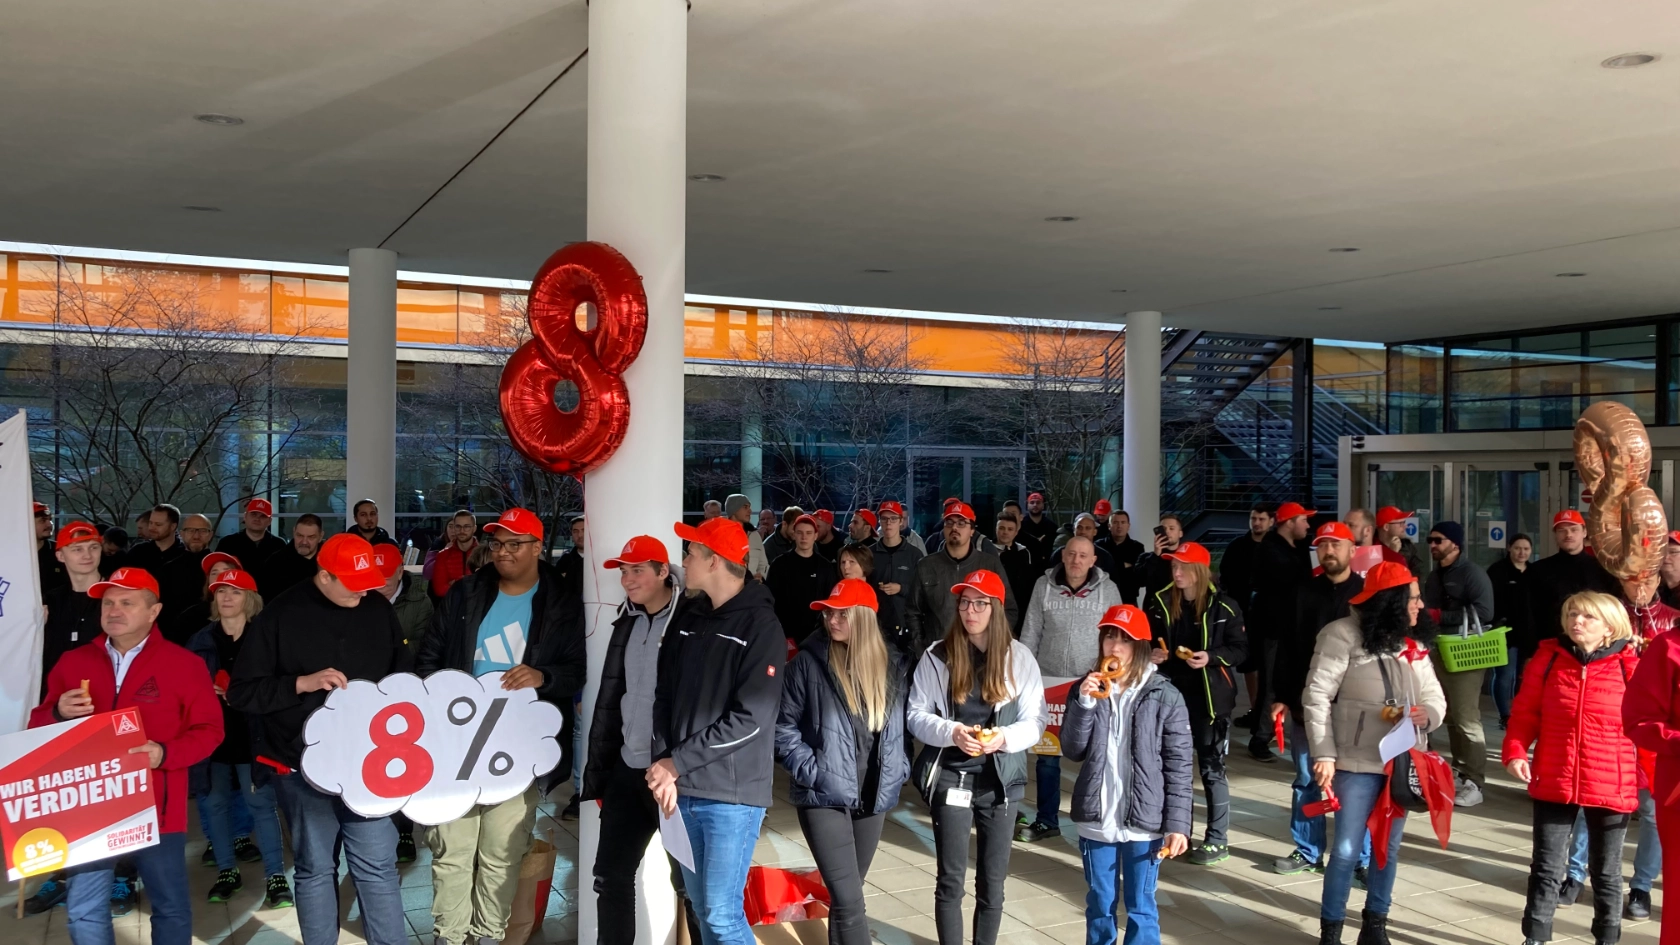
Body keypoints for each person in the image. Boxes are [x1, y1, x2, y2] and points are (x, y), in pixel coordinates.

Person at [226, 534, 411, 945]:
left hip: (370, 764)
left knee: (377, 866)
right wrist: (301, 683)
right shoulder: (280, 614)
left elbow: (403, 679)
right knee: (314, 868)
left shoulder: (378, 609)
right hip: (301, 765)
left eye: (368, 581)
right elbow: (243, 693)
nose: (363, 590)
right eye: (352, 582)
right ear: (323, 576)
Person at [416, 507, 586, 945]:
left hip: (518, 746)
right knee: (451, 849)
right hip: (456, 742)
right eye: (496, 544)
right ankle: (449, 937)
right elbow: (430, 654)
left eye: (514, 544)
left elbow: (577, 669)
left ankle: (489, 935)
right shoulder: (466, 593)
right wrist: (442, 702)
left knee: (502, 852)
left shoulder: (561, 601)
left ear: (536, 547)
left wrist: (542, 676)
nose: (503, 552)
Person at [32, 566, 223, 945]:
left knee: (169, 907)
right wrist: (55, 713)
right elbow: (38, 727)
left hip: (157, 809)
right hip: (90, 809)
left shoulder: (184, 665)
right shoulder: (74, 662)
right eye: (108, 603)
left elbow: (211, 731)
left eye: (126, 602)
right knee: (84, 910)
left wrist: (164, 753)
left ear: (154, 612)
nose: (114, 611)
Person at [650, 516, 785, 945]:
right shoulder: (689, 614)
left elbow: (752, 718)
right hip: (682, 788)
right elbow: (664, 694)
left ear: (714, 560)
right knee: (701, 908)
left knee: (722, 914)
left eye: (690, 552)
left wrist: (676, 762)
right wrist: (663, 765)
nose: (683, 560)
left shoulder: (761, 627)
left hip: (731, 796)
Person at [1303, 561, 1446, 945]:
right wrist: (1324, 754)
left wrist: (1427, 714)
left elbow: (1435, 695)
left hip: (1400, 764)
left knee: (1389, 847)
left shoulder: (1412, 645)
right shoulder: (1340, 635)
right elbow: (1317, 697)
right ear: (1393, 602)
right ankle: (1331, 931)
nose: (1420, 606)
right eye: (1413, 599)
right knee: (1347, 849)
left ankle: (1375, 923)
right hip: (1354, 762)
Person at [907, 570, 1048, 945]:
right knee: (950, 880)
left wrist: (1002, 738)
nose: (970, 611)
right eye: (965, 602)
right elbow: (916, 715)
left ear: (996, 609)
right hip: (952, 777)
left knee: (992, 882)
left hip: (999, 781)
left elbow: (1036, 721)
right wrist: (951, 732)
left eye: (980, 603)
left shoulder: (1020, 658)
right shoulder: (937, 654)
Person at [581, 536, 701, 945]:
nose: (627, 580)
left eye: (637, 571)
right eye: (623, 571)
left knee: (690, 886)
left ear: (663, 571)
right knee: (610, 877)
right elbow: (616, 696)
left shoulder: (693, 619)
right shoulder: (627, 620)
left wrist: (682, 762)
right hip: (626, 770)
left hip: (672, 776)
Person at [776, 579, 909, 945]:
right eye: (828, 613)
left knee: (846, 895)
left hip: (872, 796)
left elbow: (904, 727)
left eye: (841, 613)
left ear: (864, 618)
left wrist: (901, 767)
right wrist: (813, 773)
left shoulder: (892, 665)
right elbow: (782, 727)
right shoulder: (807, 663)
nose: (831, 620)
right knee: (851, 902)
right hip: (824, 796)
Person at [1504, 590, 1639, 945]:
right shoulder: (1548, 658)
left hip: (1612, 780)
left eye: (1587, 617)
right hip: (1555, 772)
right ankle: (1535, 936)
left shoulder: (1631, 666)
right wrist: (1516, 751)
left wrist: (1654, 778)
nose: (1576, 622)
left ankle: (1607, 937)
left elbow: (1645, 725)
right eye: (1571, 615)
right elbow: (1525, 713)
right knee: (1546, 867)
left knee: (1606, 871)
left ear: (1609, 626)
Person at [1061, 604, 1193, 945]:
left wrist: (1178, 824)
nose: (1114, 647)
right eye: (1109, 637)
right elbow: (1073, 749)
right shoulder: (1087, 689)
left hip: (1145, 824)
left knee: (1141, 908)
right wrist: (1084, 704)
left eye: (1124, 639)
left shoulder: (1165, 695)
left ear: (1141, 647)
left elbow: (1179, 765)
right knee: (1100, 906)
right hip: (1097, 819)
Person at [186, 568, 293, 908]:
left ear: (250, 599)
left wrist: (242, 694)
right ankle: (226, 870)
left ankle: (275, 876)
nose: (227, 597)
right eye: (221, 592)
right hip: (213, 735)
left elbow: (278, 685)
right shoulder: (201, 640)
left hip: (253, 734)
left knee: (260, 803)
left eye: (234, 591)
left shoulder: (265, 638)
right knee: (214, 802)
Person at [1269, 522, 1365, 875]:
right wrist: (1281, 696)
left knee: (1356, 783)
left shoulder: (1365, 594)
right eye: (1322, 545)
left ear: (1352, 550)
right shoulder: (1303, 592)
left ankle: (1360, 857)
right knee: (1308, 780)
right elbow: (1288, 649)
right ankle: (1308, 849)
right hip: (1307, 705)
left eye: (1335, 545)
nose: (1328, 551)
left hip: (1356, 707)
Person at [1143, 540, 1246, 865]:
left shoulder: (1225, 606)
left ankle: (1217, 839)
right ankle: (1178, 833)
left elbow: (1240, 649)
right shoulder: (1160, 602)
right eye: (1174, 566)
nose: (1176, 572)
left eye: (1183, 567)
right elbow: (1144, 643)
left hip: (1210, 701)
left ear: (1199, 571)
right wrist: (1152, 654)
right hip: (1170, 698)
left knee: (1212, 769)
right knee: (1172, 767)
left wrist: (1211, 658)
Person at [1017, 535, 1122, 843]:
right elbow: (1031, 630)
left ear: (1093, 561)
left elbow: (1116, 637)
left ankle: (1098, 817)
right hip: (1048, 682)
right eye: (1071, 554)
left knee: (1095, 753)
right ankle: (1047, 820)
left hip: (1090, 684)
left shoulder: (1109, 590)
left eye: (1083, 556)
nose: (1076, 560)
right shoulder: (1043, 586)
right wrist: (1025, 673)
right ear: (1063, 556)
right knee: (1048, 758)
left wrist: (1108, 674)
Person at [1422, 520, 1496, 807]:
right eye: (1430, 540)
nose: (1432, 545)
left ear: (1455, 543)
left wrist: (1441, 617)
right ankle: (1461, 773)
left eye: (1438, 540)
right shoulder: (1434, 576)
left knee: (1466, 717)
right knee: (1449, 715)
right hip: (1440, 648)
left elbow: (1485, 611)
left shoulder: (1472, 574)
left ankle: (1475, 780)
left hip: (1467, 650)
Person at [1243, 501, 1315, 762]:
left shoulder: (1296, 548)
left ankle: (1268, 732)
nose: (1308, 525)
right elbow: (1295, 581)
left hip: (1292, 629)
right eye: (1303, 520)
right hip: (1274, 630)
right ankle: (1260, 737)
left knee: (1282, 681)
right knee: (1272, 682)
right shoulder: (1272, 551)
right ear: (1289, 522)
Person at [906, 502, 1018, 654]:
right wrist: (921, 649)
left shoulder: (989, 564)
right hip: (937, 656)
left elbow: (1008, 609)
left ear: (972, 530)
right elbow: (912, 612)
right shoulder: (926, 565)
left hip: (979, 655)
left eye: (961, 523)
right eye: (949, 522)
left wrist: (991, 645)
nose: (954, 528)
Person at [767, 514, 840, 646]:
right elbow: (770, 601)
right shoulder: (779, 565)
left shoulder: (825, 567)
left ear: (815, 536)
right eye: (800, 533)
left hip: (817, 636)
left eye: (808, 533)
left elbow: (830, 603)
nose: (804, 537)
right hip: (785, 635)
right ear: (794, 535)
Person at [1488, 533, 1535, 729]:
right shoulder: (1498, 571)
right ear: (1509, 548)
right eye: (1517, 548)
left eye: (1526, 549)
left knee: (1524, 676)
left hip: (1528, 632)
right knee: (1505, 675)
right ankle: (1505, 715)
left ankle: (1518, 713)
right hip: (1504, 632)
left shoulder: (1534, 572)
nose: (1521, 552)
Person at [872, 501, 925, 655]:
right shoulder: (870, 554)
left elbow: (922, 591)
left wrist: (901, 588)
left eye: (893, 519)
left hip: (907, 627)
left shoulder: (914, 554)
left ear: (901, 522)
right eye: (884, 519)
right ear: (880, 521)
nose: (888, 523)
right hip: (877, 624)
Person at [158, 515, 216, 644]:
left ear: (210, 535)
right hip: (175, 638)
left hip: (214, 639)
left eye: (202, 531)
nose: (196, 536)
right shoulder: (168, 569)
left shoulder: (219, 568)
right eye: (191, 530)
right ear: (182, 534)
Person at [1219, 504, 1276, 621]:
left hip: (1269, 611)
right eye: (1253, 519)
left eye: (1261, 519)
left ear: (1271, 522)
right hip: (1238, 608)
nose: (1256, 523)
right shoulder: (1236, 546)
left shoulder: (1277, 547)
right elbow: (1224, 574)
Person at [257, 513, 325, 600]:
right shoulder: (275, 562)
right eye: (300, 535)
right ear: (294, 532)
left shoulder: (330, 562)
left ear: (320, 536)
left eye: (311, 537)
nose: (304, 542)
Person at [991, 513, 1038, 636]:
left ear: (1016, 532)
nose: (1005, 532)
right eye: (1001, 528)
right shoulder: (986, 551)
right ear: (996, 529)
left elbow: (1028, 585)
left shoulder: (1024, 553)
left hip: (1018, 610)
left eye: (1010, 529)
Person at [216, 498, 286, 573]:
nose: (257, 519)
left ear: (269, 521)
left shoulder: (279, 545)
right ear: (245, 516)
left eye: (262, 516)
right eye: (253, 514)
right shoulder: (227, 543)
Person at [127, 503, 186, 581]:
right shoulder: (137, 552)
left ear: (173, 527)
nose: (151, 528)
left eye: (158, 524)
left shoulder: (186, 554)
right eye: (150, 523)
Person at [430, 509, 480, 599]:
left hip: (479, 609)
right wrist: (469, 583)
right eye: (458, 526)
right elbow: (440, 590)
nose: (462, 530)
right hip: (452, 609)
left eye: (467, 526)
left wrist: (455, 583)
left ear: (474, 528)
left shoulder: (484, 554)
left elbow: (486, 588)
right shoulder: (443, 556)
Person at [1374, 507, 1424, 576]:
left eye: (1404, 522)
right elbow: (1379, 576)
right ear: (1386, 527)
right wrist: (1392, 554)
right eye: (1401, 523)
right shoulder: (1372, 548)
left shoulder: (1407, 546)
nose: (1405, 526)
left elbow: (1418, 572)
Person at [36, 501, 68, 593]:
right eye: (42, 520)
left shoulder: (61, 550)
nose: (49, 524)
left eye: (50, 519)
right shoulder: (11, 554)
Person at [1018, 491, 1058, 564]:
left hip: (1046, 566)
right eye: (1032, 502)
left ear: (1043, 505)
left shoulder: (1052, 526)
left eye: (1038, 502)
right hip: (1024, 565)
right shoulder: (1020, 526)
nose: (1035, 505)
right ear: (1028, 505)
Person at [555, 515, 587, 598]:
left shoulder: (600, 560)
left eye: (584, 530)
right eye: (575, 531)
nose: (580, 535)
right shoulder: (565, 562)